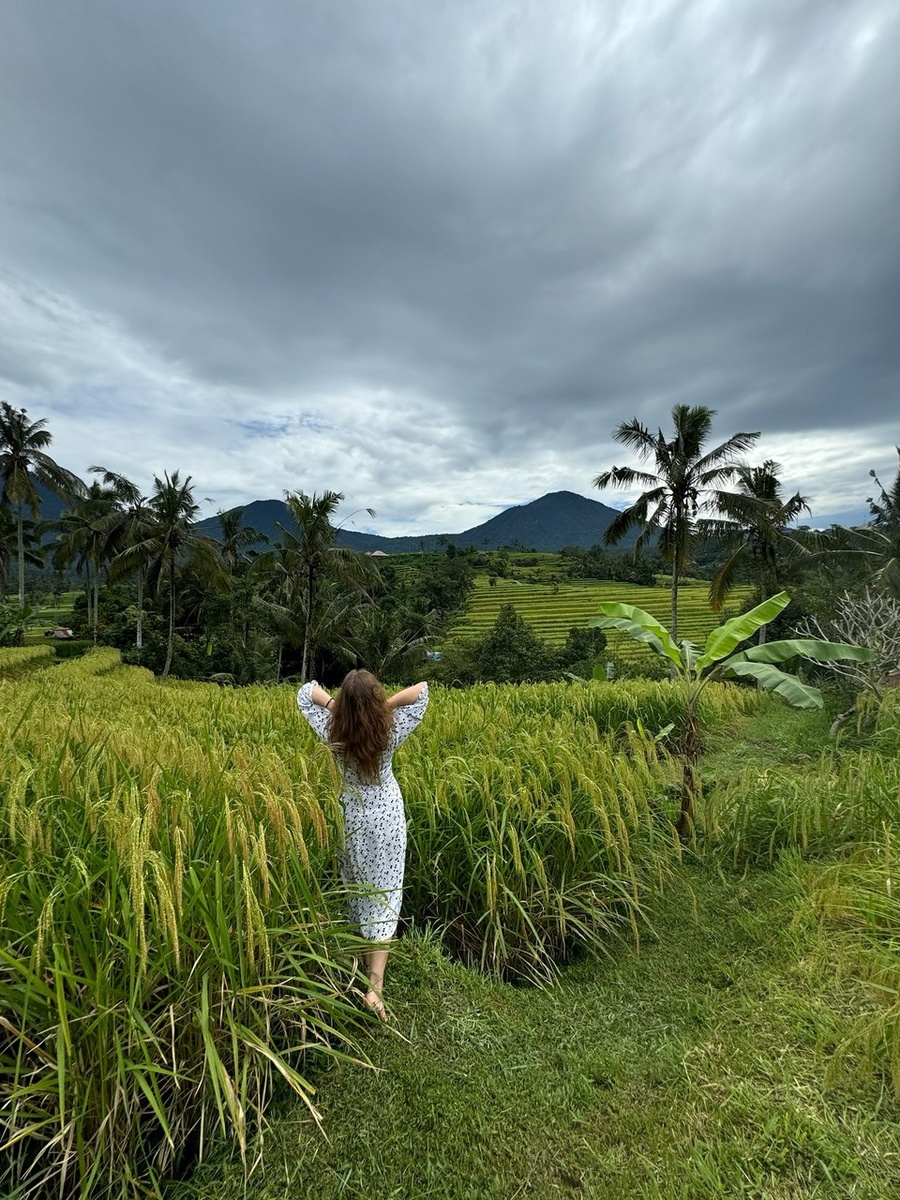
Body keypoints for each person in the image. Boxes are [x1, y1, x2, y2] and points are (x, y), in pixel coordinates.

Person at [297, 670, 429, 1020]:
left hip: (351, 817)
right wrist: (383, 706)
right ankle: (374, 987)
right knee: (384, 893)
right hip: (386, 817)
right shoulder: (389, 729)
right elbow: (421, 692)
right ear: (375, 700)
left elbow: (306, 691)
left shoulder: (332, 729)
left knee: (357, 887)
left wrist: (338, 708)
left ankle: (357, 960)